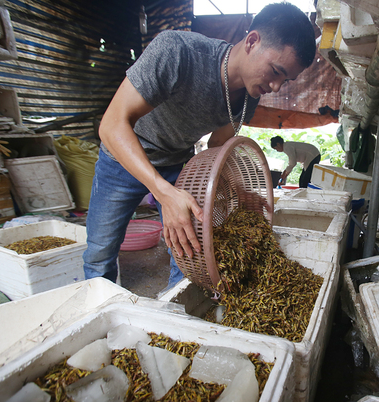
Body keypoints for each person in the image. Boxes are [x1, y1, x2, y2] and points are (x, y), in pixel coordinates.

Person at [83, 3, 316, 288]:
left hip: (176, 164)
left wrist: (238, 193)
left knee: (191, 252)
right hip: (121, 159)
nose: (277, 87)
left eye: (286, 80)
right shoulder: (178, 52)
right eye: (276, 71)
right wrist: (163, 193)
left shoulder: (249, 94)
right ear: (253, 41)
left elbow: (218, 145)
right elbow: (111, 125)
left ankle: (178, 320)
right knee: (99, 253)